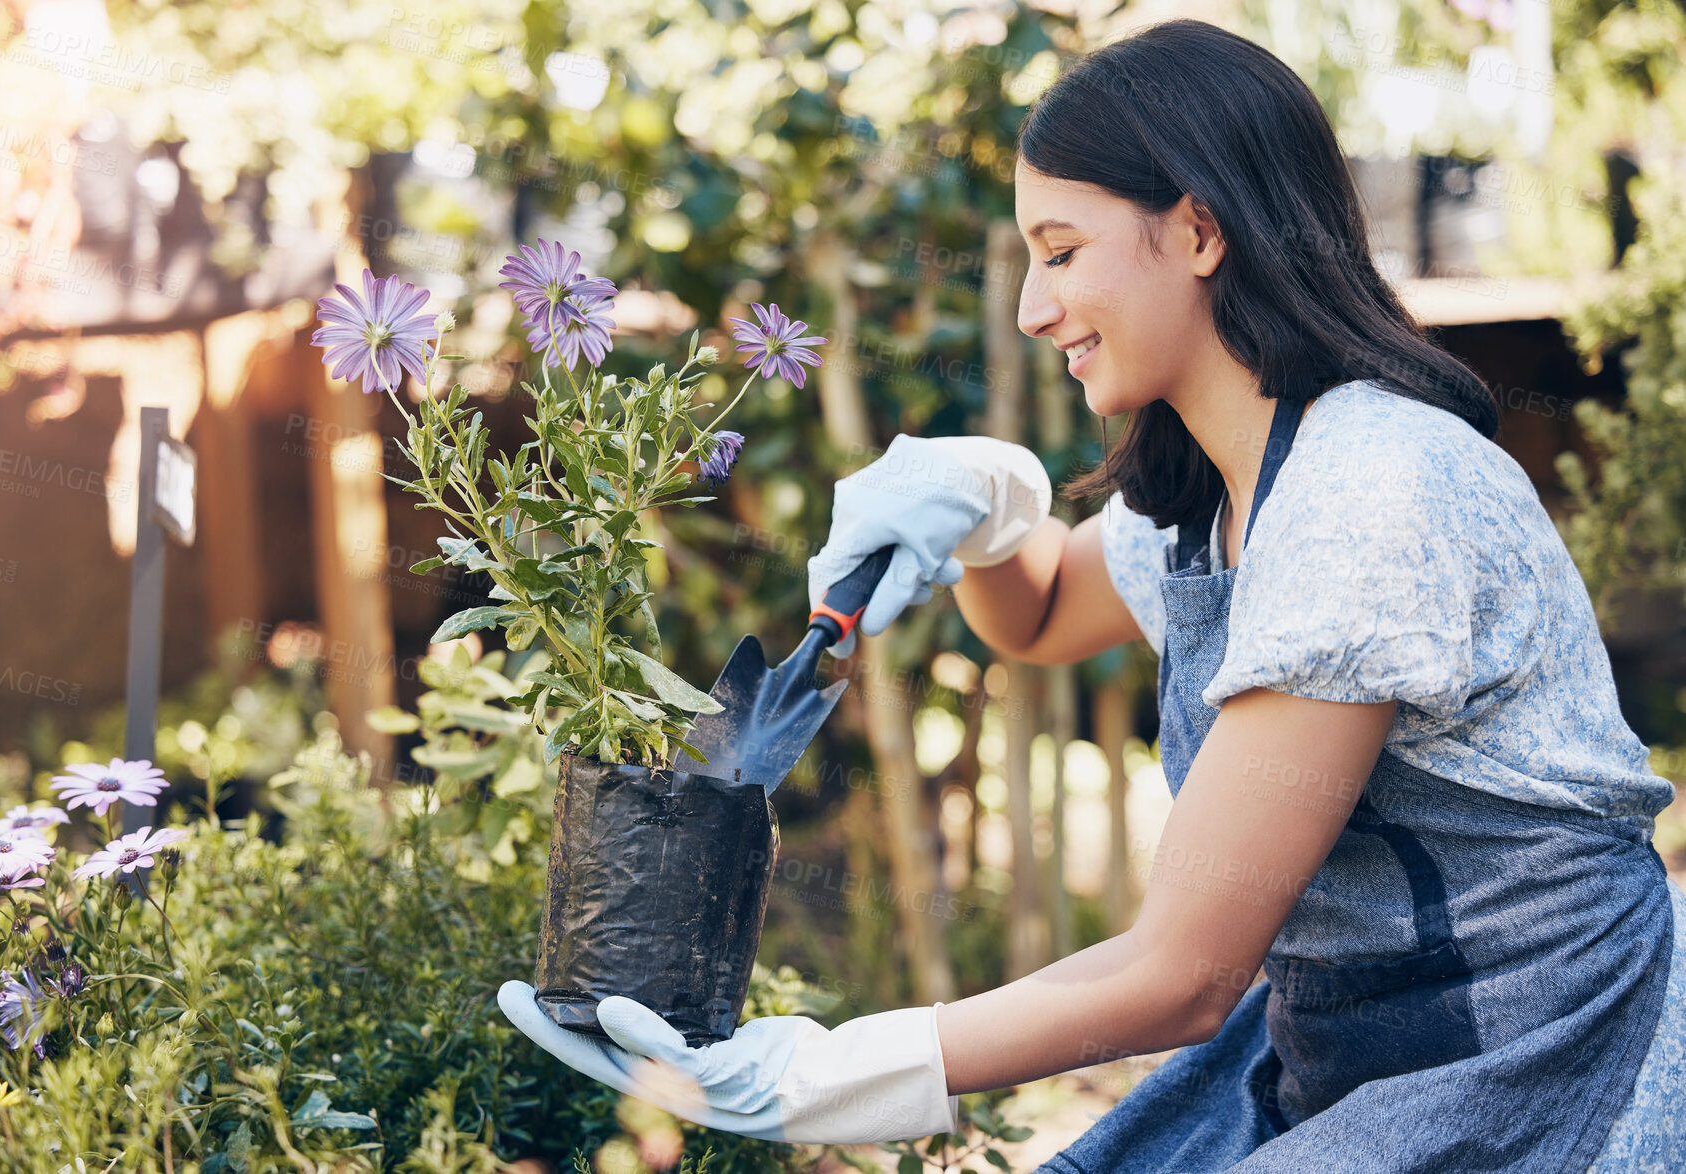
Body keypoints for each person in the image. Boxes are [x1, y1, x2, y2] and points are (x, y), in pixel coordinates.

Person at [497, 18, 1686, 1169]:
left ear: (1200, 232)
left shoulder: (1366, 493)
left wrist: (818, 1077)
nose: (1029, 305)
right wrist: (989, 500)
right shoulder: (1219, 486)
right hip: (1350, 1056)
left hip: (1541, 1071)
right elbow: (1041, 612)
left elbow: (1180, 974)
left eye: (1060, 251)